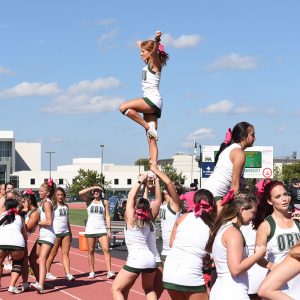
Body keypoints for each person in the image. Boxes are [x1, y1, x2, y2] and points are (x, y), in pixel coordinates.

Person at [119, 31, 169, 166]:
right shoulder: (148, 63)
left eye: (142, 52)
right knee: (151, 138)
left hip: (152, 100)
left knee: (123, 107)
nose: (140, 54)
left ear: (150, 52)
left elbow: (153, 51)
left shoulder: (155, 62)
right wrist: (140, 44)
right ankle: (154, 167)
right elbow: (147, 49)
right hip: (153, 102)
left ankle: (148, 126)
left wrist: (157, 39)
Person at [206, 191, 266, 300]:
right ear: (242, 210)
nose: (254, 216)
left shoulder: (224, 227)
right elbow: (236, 269)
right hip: (232, 292)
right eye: (253, 212)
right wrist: (258, 254)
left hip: (224, 290)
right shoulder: (233, 233)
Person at [111, 173, 157, 300]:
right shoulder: (148, 220)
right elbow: (142, 201)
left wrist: (140, 181)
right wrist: (145, 187)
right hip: (150, 258)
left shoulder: (130, 219)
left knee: (116, 289)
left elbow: (131, 197)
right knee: (149, 289)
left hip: (136, 258)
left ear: (135, 208)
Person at [163, 189, 214, 300]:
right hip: (190, 273)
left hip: (169, 271)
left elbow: (171, 244)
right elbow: (213, 255)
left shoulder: (183, 218)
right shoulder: (212, 226)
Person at [254, 180, 300, 299]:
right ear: (270, 201)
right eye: (278, 196)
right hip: (276, 287)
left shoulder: (297, 221)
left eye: (285, 194)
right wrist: (271, 266)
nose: (284, 199)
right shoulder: (266, 226)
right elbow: (257, 256)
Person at [202, 122, 255, 214]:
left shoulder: (229, 149)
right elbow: (234, 185)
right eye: (252, 135)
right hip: (213, 197)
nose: (254, 138)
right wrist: (236, 209)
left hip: (207, 193)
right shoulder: (239, 153)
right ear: (243, 136)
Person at [79, 185, 115, 279]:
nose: (96, 192)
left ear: (101, 192)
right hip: (90, 229)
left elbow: (107, 216)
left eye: (98, 191)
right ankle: (91, 271)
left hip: (101, 229)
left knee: (106, 249)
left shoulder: (105, 202)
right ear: (92, 192)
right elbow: (80, 193)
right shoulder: (89, 201)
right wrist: (92, 187)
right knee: (91, 250)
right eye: (94, 191)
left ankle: (109, 271)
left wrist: (109, 229)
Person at [29, 179, 56, 293]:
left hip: (48, 235)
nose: (38, 192)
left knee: (42, 259)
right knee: (31, 258)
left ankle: (41, 284)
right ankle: (39, 280)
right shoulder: (43, 202)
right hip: (42, 235)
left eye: (41, 191)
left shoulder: (46, 203)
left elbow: (49, 222)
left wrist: (36, 222)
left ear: (47, 192)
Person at [46, 187, 75, 281]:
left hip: (65, 232)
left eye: (62, 195)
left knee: (66, 253)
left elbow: (67, 221)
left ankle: (68, 274)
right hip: (56, 233)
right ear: (55, 196)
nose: (60, 196)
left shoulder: (66, 206)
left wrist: (70, 233)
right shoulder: (53, 206)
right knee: (52, 254)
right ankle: (46, 272)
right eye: (58, 195)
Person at [0, 198, 27, 294]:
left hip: (2, 242)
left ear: (5, 207)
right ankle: (12, 286)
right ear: (16, 207)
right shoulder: (20, 218)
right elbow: (25, 235)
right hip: (17, 243)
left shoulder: (1, 217)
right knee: (17, 262)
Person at [20, 189, 40, 292]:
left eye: (24, 201)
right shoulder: (28, 211)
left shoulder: (35, 213)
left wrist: (20, 215)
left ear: (29, 201)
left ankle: (31, 282)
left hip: (22, 237)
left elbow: (27, 228)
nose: (22, 204)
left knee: (25, 260)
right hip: (19, 236)